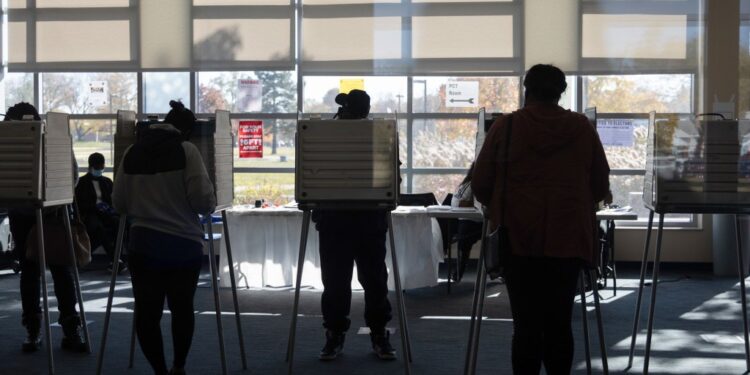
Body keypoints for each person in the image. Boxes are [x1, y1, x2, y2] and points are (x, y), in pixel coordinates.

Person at [472, 64, 610, 375]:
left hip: (519, 239)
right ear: (561, 93)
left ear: (527, 90)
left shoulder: (506, 127)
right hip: (569, 239)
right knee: (560, 322)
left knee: (526, 325)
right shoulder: (582, 128)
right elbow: (600, 186)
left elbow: (481, 184)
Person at [113, 100, 216, 375]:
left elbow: (119, 203)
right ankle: (178, 367)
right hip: (184, 246)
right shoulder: (187, 150)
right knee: (182, 311)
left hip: (143, 246)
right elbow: (202, 201)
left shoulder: (132, 152)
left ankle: (159, 370)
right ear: (186, 131)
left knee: (147, 315)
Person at [312, 89, 396, 361]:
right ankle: (376, 334)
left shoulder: (324, 136)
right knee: (370, 281)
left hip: (341, 221)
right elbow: (393, 181)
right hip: (364, 221)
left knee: (345, 281)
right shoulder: (380, 135)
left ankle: (341, 334)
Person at [4, 102, 87, 353]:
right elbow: (71, 177)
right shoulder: (56, 138)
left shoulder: (8, 142)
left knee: (31, 273)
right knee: (61, 271)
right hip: (53, 215)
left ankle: (34, 329)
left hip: (25, 215)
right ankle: (70, 329)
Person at [75, 152, 125, 272]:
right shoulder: (81, 183)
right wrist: (95, 207)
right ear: (90, 167)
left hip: (106, 212)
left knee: (118, 223)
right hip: (90, 213)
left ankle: (116, 259)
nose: (99, 170)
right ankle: (116, 259)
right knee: (98, 228)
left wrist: (108, 208)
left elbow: (113, 200)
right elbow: (80, 204)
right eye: (96, 168)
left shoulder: (107, 182)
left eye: (100, 167)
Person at [450, 162, 482, 281]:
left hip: (463, 221)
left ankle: (458, 273)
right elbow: (462, 204)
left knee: (464, 245)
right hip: (471, 221)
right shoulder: (474, 184)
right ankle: (497, 271)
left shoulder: (465, 183)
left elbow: (458, 204)